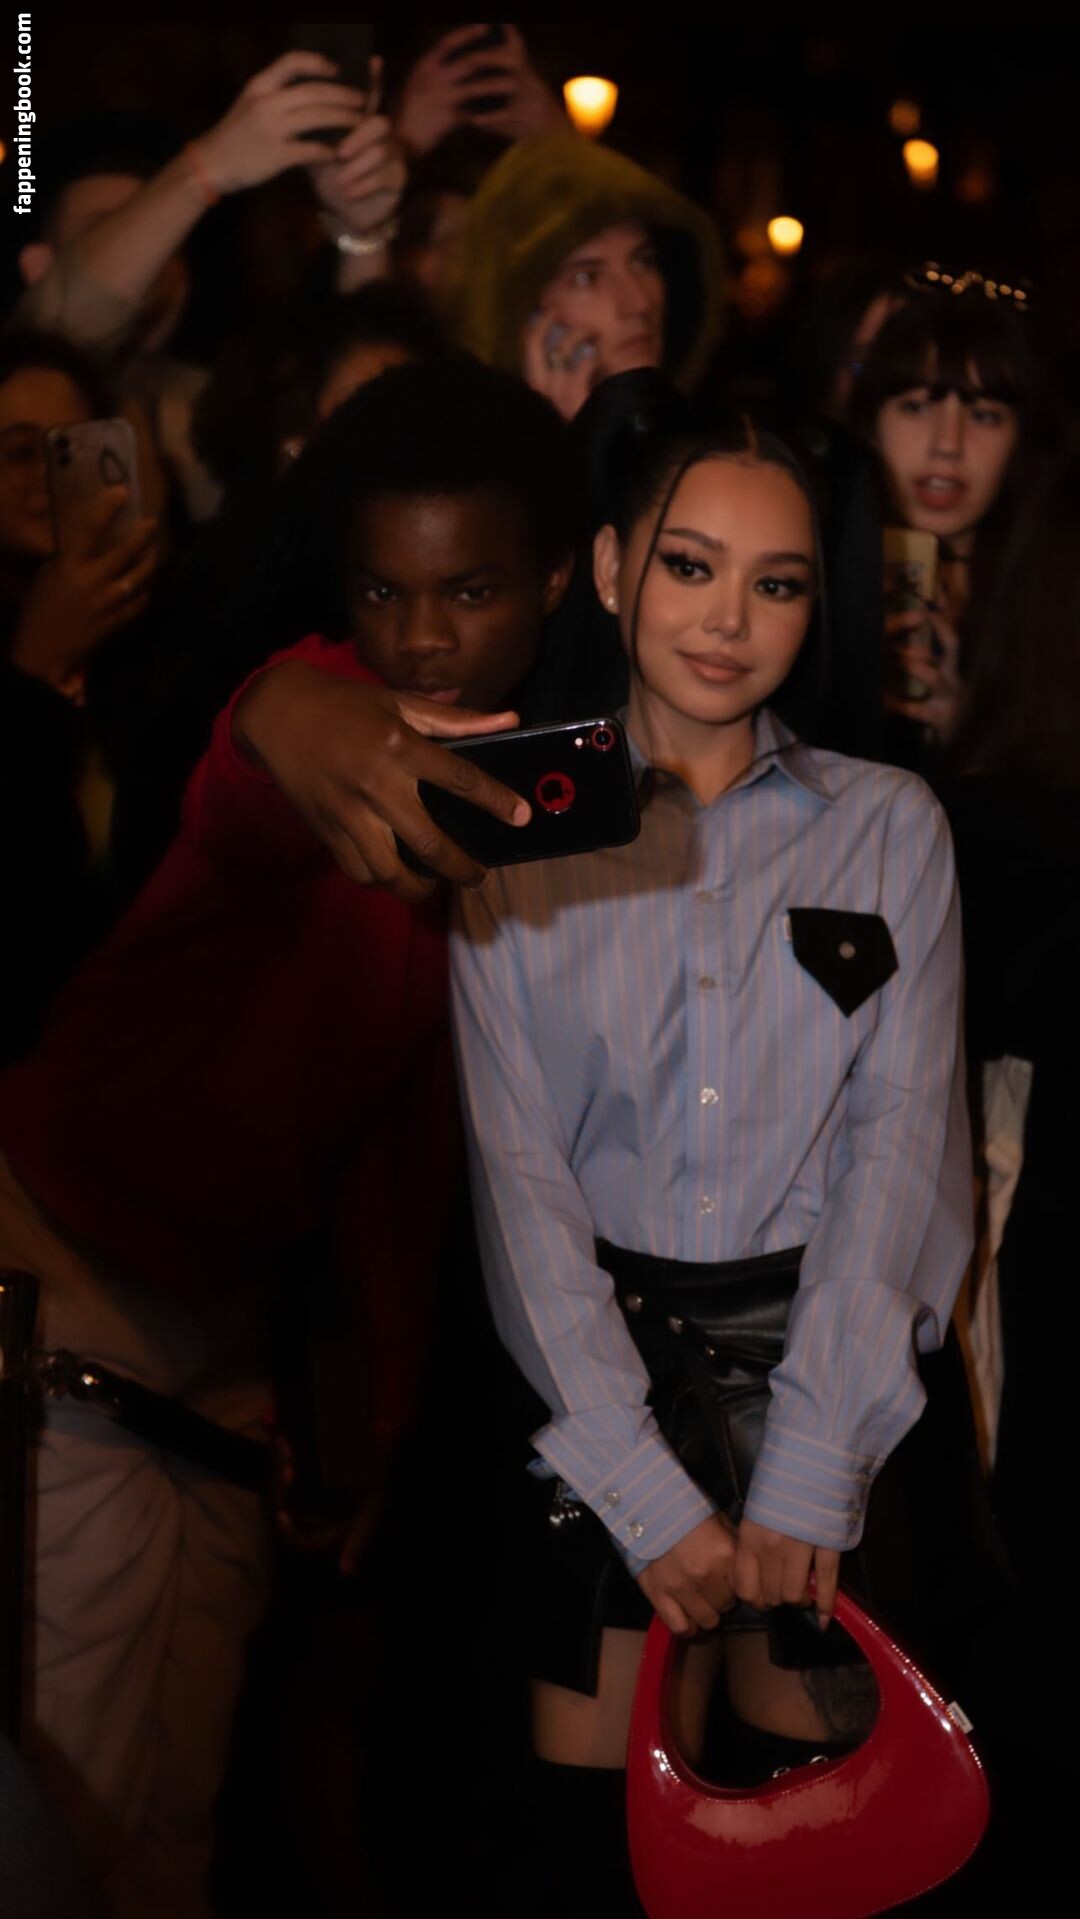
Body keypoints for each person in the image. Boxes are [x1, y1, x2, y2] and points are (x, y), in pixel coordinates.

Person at [0, 358, 576, 1919]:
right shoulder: (329, 706)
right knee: (61, 1815)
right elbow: (257, 766)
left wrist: (371, 1413)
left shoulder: (503, 804)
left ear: (556, 581)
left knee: (166, 1832)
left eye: (468, 591)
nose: (422, 635)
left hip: (225, 1350)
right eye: (385, 591)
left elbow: (403, 1148)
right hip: (65, 1293)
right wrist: (284, 707)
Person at [449, 392, 981, 1914]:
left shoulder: (888, 825)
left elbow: (902, 1152)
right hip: (596, 1369)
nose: (728, 619)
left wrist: (813, 1464)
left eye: (777, 581)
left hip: (829, 1365)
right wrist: (638, 1479)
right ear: (615, 568)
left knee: (825, 1849)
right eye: (689, 565)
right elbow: (517, 1179)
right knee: (598, 1850)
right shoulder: (510, 826)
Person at [15, 52, 406, 523]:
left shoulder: (219, 411)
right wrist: (208, 167)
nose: (152, 263)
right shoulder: (17, 401)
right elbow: (61, 326)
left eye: (168, 237)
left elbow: (365, 416)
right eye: (112, 231)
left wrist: (361, 230)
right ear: (38, 268)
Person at [0, 326, 161, 1064]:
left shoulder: (153, 629)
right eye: (18, 452)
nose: (47, 476)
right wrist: (32, 674)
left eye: (71, 448)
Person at [847, 278, 1049, 763]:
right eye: (917, 406)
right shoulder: (817, 573)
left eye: (984, 415)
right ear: (871, 424)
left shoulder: (1051, 598)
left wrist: (967, 740)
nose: (947, 445)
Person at [446, 130, 726, 418]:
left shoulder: (722, 437)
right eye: (587, 278)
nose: (639, 302)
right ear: (523, 318)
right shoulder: (471, 441)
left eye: (644, 262)